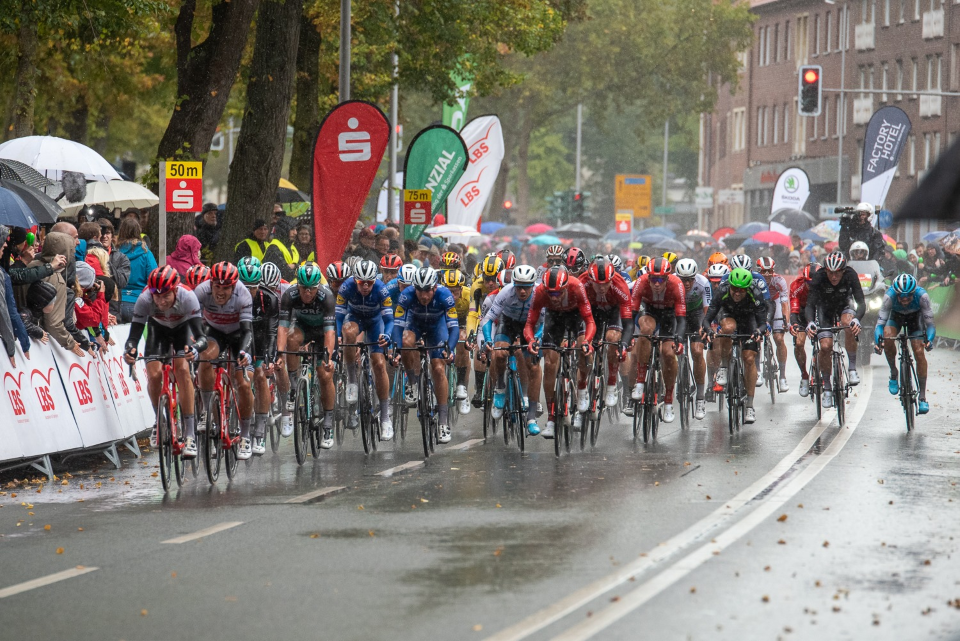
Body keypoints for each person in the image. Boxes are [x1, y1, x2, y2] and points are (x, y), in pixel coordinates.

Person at [123, 266, 207, 457]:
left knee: (183, 370)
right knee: (153, 374)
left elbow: (201, 337)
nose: (160, 301)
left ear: (175, 290)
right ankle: (159, 420)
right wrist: (130, 351)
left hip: (182, 329)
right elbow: (133, 337)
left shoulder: (188, 297)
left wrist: (195, 349)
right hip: (158, 330)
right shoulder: (144, 299)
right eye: (156, 296)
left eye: (165, 296)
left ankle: (190, 433)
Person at [524, 265, 596, 438]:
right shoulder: (541, 291)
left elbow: (590, 320)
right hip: (554, 319)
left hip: (575, 316)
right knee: (549, 363)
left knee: (582, 350)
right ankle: (551, 417)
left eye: (557, 293)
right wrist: (531, 340)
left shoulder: (576, 286)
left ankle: (582, 388)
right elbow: (530, 324)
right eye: (551, 293)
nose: (554, 297)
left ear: (565, 287)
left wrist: (587, 342)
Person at [194, 262, 257, 460]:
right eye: (217, 287)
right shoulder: (201, 291)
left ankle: (245, 435)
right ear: (211, 283)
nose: (220, 292)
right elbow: (192, 325)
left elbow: (248, 331)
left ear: (234, 286)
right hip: (215, 332)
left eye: (226, 288)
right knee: (205, 360)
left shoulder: (244, 294)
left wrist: (244, 353)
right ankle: (208, 412)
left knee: (243, 384)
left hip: (239, 334)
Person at [391, 267, 460, 444]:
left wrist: (449, 349)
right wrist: (398, 349)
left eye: (427, 290)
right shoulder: (406, 295)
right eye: (419, 290)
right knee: (406, 342)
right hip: (415, 325)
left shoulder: (445, 296)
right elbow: (398, 326)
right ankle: (413, 383)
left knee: (438, 368)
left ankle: (443, 422)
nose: (423, 295)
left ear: (434, 288)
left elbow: (453, 327)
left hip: (438, 328)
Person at [275, 262, 337, 447]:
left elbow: (330, 333)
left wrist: (328, 358)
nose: (307, 293)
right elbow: (283, 328)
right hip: (302, 328)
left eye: (311, 289)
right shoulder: (290, 295)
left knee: (325, 374)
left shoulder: (326, 297)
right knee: (292, 340)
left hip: (322, 331)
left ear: (318, 286)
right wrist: (280, 353)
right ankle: (294, 386)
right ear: (298, 285)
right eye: (303, 288)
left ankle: (328, 421)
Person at [335, 259, 395, 440]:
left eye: (369, 282)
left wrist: (388, 336)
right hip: (356, 319)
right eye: (362, 283)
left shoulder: (381, 290)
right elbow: (338, 316)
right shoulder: (346, 287)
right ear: (355, 280)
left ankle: (385, 417)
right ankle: (352, 380)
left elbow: (389, 321)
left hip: (376, 322)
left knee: (378, 363)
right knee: (347, 332)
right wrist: (339, 335)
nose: (366, 286)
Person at [701, 268, 768, 424]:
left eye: (741, 290)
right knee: (728, 328)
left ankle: (750, 406)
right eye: (734, 289)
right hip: (728, 316)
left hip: (748, 319)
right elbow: (707, 319)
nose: (737, 293)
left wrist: (759, 331)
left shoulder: (755, 293)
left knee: (749, 358)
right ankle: (724, 367)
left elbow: (763, 323)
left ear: (747, 288)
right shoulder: (722, 291)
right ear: (729, 286)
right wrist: (709, 330)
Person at [481, 264, 542, 435]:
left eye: (526, 287)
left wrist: (537, 338)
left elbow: (546, 321)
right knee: (499, 352)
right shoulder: (506, 293)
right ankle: (500, 388)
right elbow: (488, 318)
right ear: (514, 284)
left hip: (531, 326)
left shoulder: (539, 294)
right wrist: (487, 340)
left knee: (534, 364)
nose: (522, 291)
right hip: (508, 324)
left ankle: (531, 416)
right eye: (519, 287)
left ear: (533, 285)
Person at [804, 252, 866, 409]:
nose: (833, 276)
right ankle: (827, 388)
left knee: (849, 324)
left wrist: (857, 319)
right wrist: (810, 322)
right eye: (830, 272)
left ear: (843, 271)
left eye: (837, 272)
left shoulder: (851, 274)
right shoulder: (819, 276)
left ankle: (852, 368)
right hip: (824, 309)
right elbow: (810, 304)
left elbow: (861, 302)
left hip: (845, 305)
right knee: (825, 347)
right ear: (825, 271)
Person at [630, 258, 685, 423]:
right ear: (648, 277)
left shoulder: (677, 285)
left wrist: (679, 340)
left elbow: (682, 320)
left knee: (668, 354)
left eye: (661, 279)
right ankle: (640, 381)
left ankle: (668, 400)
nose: (656, 283)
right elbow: (631, 313)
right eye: (653, 279)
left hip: (670, 316)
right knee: (645, 330)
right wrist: (629, 337)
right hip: (650, 312)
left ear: (668, 278)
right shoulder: (641, 282)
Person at [237, 257, 281, 455]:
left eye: (252, 287)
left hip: (262, 339)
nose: (248, 292)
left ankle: (260, 431)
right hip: (240, 339)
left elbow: (272, 333)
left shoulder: (269, 299)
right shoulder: (231, 296)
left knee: (261, 376)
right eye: (244, 286)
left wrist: (270, 359)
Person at [874, 273, 935, 414]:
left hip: (916, 318)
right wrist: (878, 342)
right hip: (896, 316)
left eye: (909, 296)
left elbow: (931, 325)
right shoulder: (889, 296)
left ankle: (922, 396)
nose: (905, 299)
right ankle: (894, 372)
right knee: (888, 337)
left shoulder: (922, 296)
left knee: (919, 351)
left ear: (914, 292)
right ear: (897, 293)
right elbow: (879, 325)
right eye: (902, 296)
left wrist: (929, 339)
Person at [580, 256, 633, 414]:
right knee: (583, 343)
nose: (602, 288)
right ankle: (581, 392)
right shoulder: (582, 282)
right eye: (597, 284)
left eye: (605, 284)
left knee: (612, 338)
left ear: (612, 278)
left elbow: (628, 323)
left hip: (613, 311)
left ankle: (611, 384)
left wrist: (623, 344)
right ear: (591, 279)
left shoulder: (619, 285)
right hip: (592, 311)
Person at [28, 231, 87, 357]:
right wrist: (70, 343)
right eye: (71, 250)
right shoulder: (56, 278)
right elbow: (53, 322)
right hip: (38, 340)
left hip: (25, 330)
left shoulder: (30, 266)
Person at [675, 257, 711, 419]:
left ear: (695, 277)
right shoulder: (673, 283)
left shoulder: (703, 283)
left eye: (690, 279)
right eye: (683, 280)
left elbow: (707, 310)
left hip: (696, 315)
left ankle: (701, 398)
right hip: (679, 314)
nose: (687, 283)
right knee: (675, 349)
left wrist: (706, 328)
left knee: (697, 351)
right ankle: (680, 380)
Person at [467, 255, 504, 408]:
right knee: (480, 348)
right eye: (486, 278)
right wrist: (471, 333)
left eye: (493, 279)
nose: (489, 283)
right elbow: (473, 313)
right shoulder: (477, 286)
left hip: (504, 319)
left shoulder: (507, 285)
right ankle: (480, 388)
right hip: (485, 318)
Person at [756, 256, 790, 392]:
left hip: (775, 303)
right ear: (758, 271)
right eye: (763, 272)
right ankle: (758, 370)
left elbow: (784, 303)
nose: (767, 275)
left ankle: (782, 377)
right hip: (760, 304)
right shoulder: (754, 280)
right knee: (756, 337)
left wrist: (785, 321)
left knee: (779, 338)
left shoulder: (779, 280)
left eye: (769, 271)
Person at [788, 263, 820, 397]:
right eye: (808, 283)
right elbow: (794, 312)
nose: (811, 286)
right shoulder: (797, 286)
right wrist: (794, 324)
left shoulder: (826, 284)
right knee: (799, 343)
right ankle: (804, 375)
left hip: (819, 311)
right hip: (802, 312)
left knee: (826, 342)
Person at [117, 217, 158, 323]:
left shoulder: (115, 252)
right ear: (138, 231)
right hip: (140, 302)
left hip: (117, 303)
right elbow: (154, 279)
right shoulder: (146, 253)